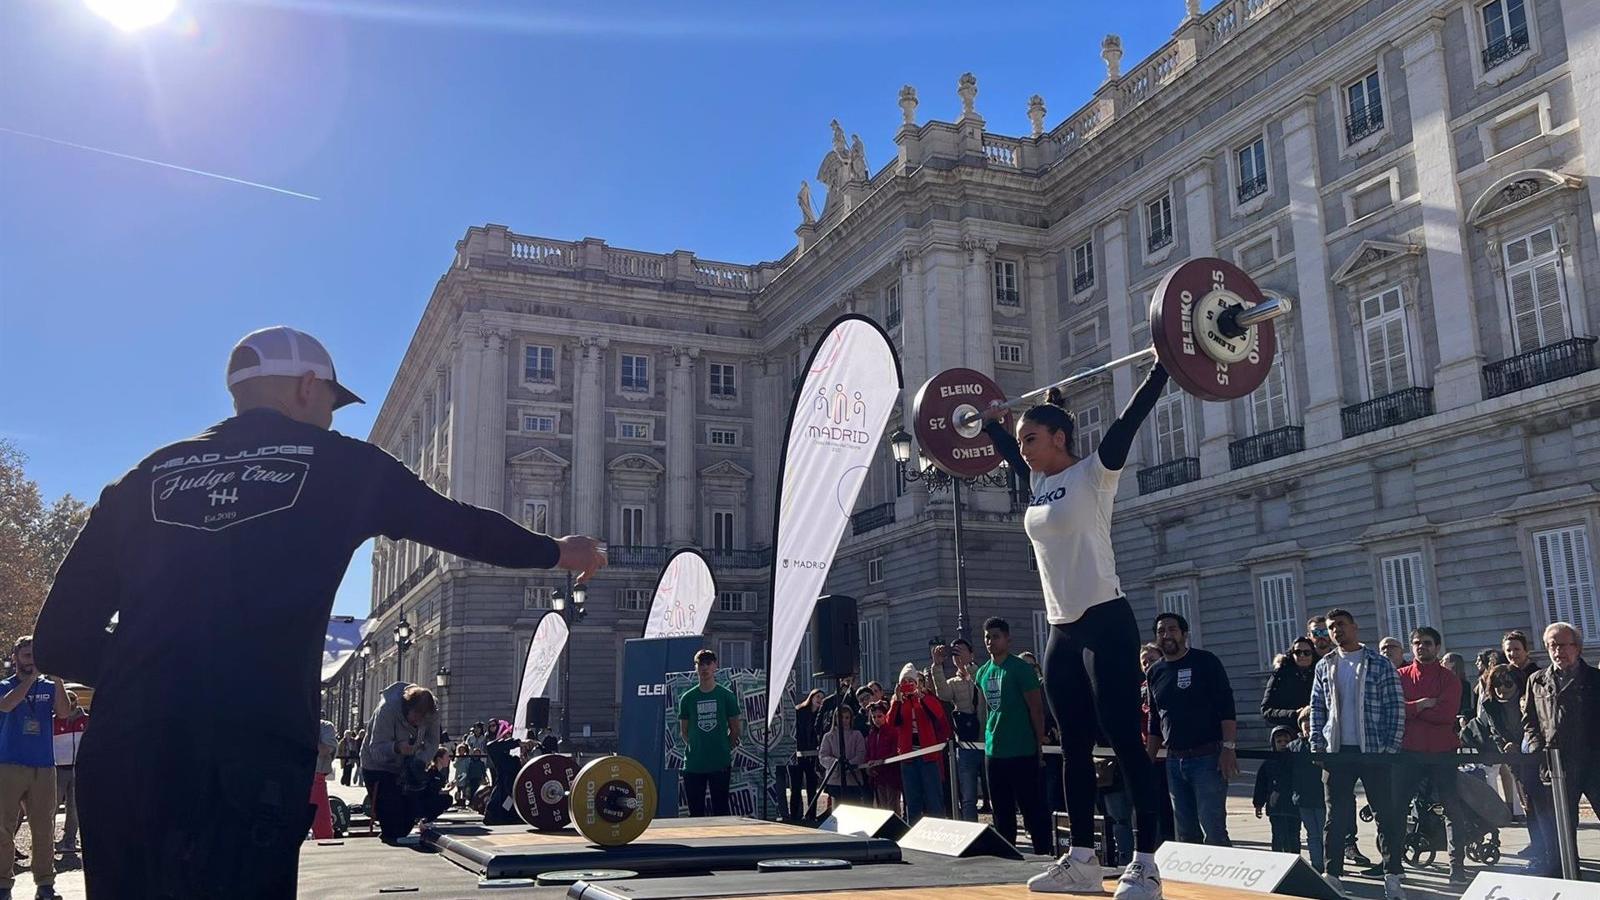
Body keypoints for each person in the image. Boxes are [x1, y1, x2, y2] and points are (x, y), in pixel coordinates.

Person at [31, 326, 607, 897]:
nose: (331, 417)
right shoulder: (340, 465)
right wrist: (557, 550)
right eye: (332, 402)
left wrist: (153, 675)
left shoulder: (143, 478)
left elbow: (58, 640)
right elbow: (461, 525)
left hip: (127, 755)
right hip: (253, 751)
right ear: (308, 386)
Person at [981, 366, 1170, 899]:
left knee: (1125, 741)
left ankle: (1146, 865)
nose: (1023, 449)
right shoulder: (1038, 484)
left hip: (1106, 620)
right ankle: (1083, 860)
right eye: (1021, 441)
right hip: (1061, 628)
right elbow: (1008, 452)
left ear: (1059, 438)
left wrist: (1163, 365)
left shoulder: (1095, 473)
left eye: (1031, 439)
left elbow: (1130, 418)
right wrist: (992, 424)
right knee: (1074, 748)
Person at [1309, 608, 1407, 900]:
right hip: (1337, 750)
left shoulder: (1379, 662)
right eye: (1331, 627)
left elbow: (1395, 706)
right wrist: (1317, 744)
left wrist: (1390, 746)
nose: (1336, 631)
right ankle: (1332, 874)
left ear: (1354, 627)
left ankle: (1392, 875)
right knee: (1335, 815)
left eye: (1341, 625)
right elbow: (1317, 706)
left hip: (1374, 749)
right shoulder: (1325, 665)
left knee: (1384, 814)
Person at [1144, 613, 1237, 848]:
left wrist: (1228, 748)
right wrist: (1148, 759)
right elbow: (1155, 720)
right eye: (1161, 631)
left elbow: (1226, 707)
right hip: (1174, 761)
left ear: (1184, 634)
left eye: (1172, 629)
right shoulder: (1154, 672)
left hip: (1207, 758)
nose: (1166, 635)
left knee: (1213, 830)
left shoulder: (1206, 661)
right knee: (1185, 833)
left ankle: (1221, 871)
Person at [1521, 621, 1600, 878]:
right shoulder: (1537, 680)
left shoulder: (1594, 679)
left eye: (1563, 645)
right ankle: (1568, 878)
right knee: (1562, 827)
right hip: (1556, 765)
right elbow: (1530, 721)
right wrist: (1537, 748)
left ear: (1577, 647)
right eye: (1552, 646)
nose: (1558, 652)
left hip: (1593, 763)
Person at [1396, 627, 1469, 883]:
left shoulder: (1449, 679)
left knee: (1452, 809)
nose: (1421, 647)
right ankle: (1392, 865)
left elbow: (1446, 715)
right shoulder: (1400, 676)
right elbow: (1394, 710)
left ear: (1437, 647)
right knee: (1397, 808)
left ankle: (1456, 866)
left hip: (1442, 752)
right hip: (1409, 752)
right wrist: (1422, 704)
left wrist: (1412, 711)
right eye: (1416, 642)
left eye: (1427, 643)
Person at [976, 618, 1052, 854]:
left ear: (1008, 639)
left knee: (1032, 808)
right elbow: (987, 710)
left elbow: (1036, 708)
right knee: (1001, 811)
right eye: (987, 637)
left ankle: (1043, 853)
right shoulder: (982, 672)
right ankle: (1006, 856)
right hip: (994, 750)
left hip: (1022, 749)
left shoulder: (1021, 669)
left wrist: (1038, 742)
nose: (991, 641)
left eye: (996, 636)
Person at [0, 638, 68, 900]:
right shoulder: (6, 686)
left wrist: (58, 679)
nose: (31, 661)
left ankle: (45, 884)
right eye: (26, 656)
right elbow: (6, 705)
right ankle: (3, 884)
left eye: (34, 656)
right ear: (15, 658)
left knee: (43, 827)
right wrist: (30, 680)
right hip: (9, 765)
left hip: (43, 766)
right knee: (4, 827)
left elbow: (63, 713)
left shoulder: (49, 688)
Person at [361, 683, 442, 843]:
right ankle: (389, 837)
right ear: (408, 708)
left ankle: (395, 837)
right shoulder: (387, 710)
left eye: (423, 719)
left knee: (407, 817)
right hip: (378, 767)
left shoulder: (431, 713)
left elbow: (433, 742)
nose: (419, 723)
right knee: (391, 818)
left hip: (406, 766)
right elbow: (375, 749)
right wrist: (396, 748)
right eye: (416, 717)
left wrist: (421, 760)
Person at [677, 649, 741, 817]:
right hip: (694, 764)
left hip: (720, 763)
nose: (704, 668)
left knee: (721, 812)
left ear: (715, 666)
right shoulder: (687, 698)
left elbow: (735, 729)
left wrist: (724, 747)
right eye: (700, 664)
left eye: (708, 663)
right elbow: (684, 731)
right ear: (695, 668)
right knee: (695, 814)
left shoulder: (726, 696)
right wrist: (696, 746)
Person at [885, 662, 950, 823]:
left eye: (911, 681)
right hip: (908, 756)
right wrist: (897, 700)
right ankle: (913, 828)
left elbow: (938, 715)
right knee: (912, 800)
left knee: (933, 798)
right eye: (904, 681)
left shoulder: (926, 697)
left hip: (928, 755)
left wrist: (921, 697)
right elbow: (891, 723)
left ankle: (938, 827)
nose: (908, 684)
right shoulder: (898, 701)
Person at [931, 639, 984, 822]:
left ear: (971, 653)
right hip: (965, 743)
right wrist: (937, 666)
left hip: (987, 740)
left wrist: (968, 666)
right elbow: (943, 694)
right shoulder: (953, 683)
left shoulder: (981, 673)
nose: (958, 656)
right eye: (955, 653)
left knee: (996, 790)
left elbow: (981, 684)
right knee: (968, 796)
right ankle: (972, 828)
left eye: (961, 651)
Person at [1289, 710, 1326, 873]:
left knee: (1324, 832)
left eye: (1310, 722)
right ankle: (1317, 862)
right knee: (1312, 833)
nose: (1307, 726)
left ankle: (1328, 862)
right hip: (1303, 797)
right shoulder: (1294, 746)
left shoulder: (1324, 744)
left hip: (1321, 796)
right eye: (1304, 722)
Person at [1253, 728, 1300, 856]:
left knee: (1293, 835)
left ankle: (1294, 859)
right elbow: (1261, 784)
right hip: (1275, 808)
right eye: (1279, 741)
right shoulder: (1268, 762)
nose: (1283, 744)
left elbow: (1293, 779)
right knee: (1278, 835)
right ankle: (1278, 858)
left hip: (1292, 806)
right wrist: (1258, 804)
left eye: (1286, 741)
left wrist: (1279, 790)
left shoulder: (1295, 761)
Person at [51, 691, 87, 856]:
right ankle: (47, 840)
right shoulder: (53, 721)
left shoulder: (86, 720)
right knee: (52, 806)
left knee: (74, 808)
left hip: (78, 768)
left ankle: (70, 840)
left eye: (72, 700)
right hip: (58, 768)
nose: (70, 703)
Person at [818, 704, 867, 810]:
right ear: (835, 718)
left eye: (847, 717)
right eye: (841, 717)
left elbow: (861, 754)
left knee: (854, 809)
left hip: (853, 779)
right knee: (837, 810)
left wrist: (848, 765)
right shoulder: (828, 736)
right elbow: (823, 756)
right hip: (835, 780)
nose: (844, 720)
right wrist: (836, 764)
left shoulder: (857, 735)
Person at [1262, 637, 1317, 730]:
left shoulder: (1320, 672)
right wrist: (1294, 714)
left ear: (1313, 654)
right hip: (1289, 731)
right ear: (1292, 654)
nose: (1302, 656)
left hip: (1318, 728)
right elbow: (1266, 711)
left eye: (1307, 652)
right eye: (1298, 652)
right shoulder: (1280, 675)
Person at [789, 689, 824, 820]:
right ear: (811, 697)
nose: (819, 699)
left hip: (813, 755)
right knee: (796, 786)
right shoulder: (800, 711)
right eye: (817, 696)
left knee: (812, 786)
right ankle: (794, 815)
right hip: (798, 753)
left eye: (822, 697)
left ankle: (811, 814)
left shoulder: (821, 715)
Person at [864, 701, 901, 814]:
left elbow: (895, 752)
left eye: (879, 716)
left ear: (885, 716)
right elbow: (869, 753)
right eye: (874, 717)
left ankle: (895, 824)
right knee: (882, 806)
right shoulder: (872, 734)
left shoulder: (892, 731)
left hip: (891, 775)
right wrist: (869, 765)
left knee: (892, 805)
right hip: (878, 776)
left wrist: (881, 762)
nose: (876, 719)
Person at [310, 717, 338, 841]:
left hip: (316, 777)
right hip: (291, 777)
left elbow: (326, 749)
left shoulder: (326, 727)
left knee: (323, 826)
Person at [1440, 653, 1475, 723]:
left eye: (1444, 660)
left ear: (1452, 664)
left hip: (1456, 720)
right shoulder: (1440, 681)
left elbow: (1465, 705)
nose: (1441, 662)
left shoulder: (1463, 684)